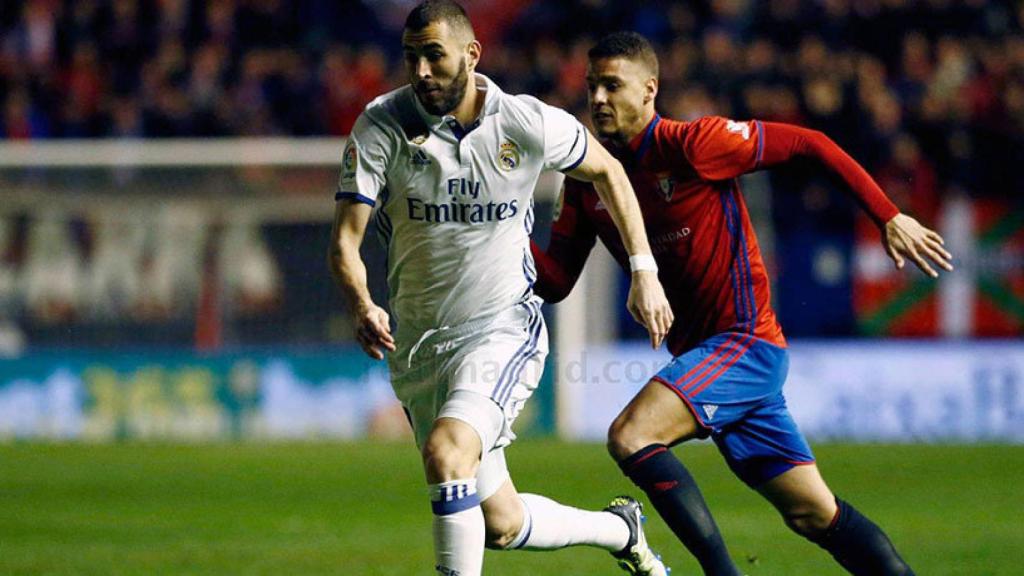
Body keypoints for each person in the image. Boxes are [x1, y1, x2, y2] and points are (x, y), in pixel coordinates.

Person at [532, 32, 954, 576]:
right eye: (591, 87)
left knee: (631, 435)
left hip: (745, 343)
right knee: (812, 514)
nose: (598, 99)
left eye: (613, 85)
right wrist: (498, 235)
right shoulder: (588, 183)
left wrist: (887, 215)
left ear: (649, 91)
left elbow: (810, 144)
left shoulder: (694, 144)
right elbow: (558, 281)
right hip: (709, 361)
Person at [328, 4, 676, 575]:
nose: (420, 70)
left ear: (471, 54)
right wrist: (362, 303)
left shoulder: (523, 122)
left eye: (434, 55)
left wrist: (644, 269)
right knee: (502, 523)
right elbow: (345, 239)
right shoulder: (381, 124)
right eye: (411, 56)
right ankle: (621, 530)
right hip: (418, 345)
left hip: (501, 329)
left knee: (447, 452)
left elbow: (609, 171)